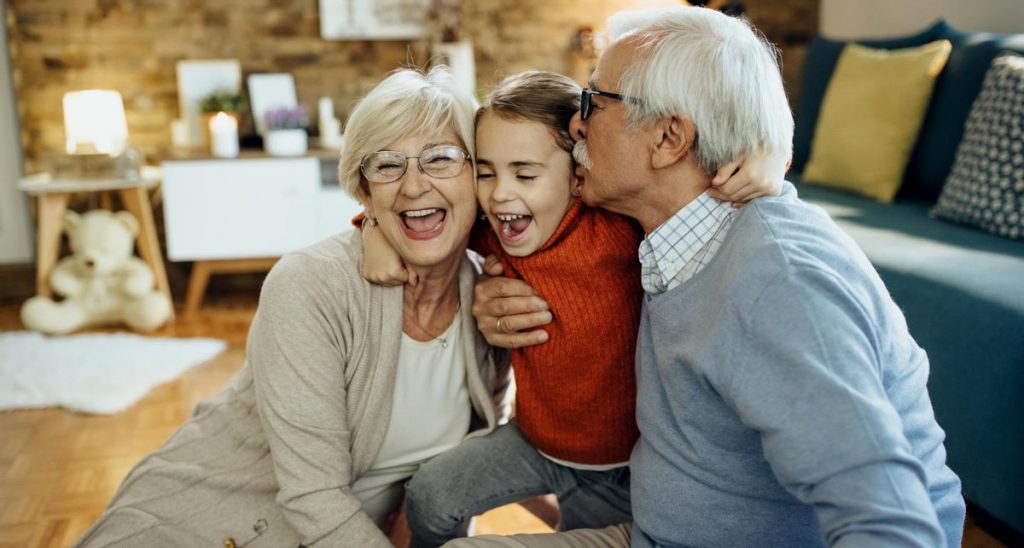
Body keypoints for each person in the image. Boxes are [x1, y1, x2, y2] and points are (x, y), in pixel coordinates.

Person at [464, 6, 966, 548]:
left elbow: (895, 525)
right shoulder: (661, 229)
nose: (576, 124)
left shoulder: (780, 285)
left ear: (669, 138)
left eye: (595, 102)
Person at [75, 66, 513, 548]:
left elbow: (475, 448)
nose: (413, 185)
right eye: (387, 165)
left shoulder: (490, 293)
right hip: (208, 527)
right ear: (364, 192)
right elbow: (314, 497)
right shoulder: (311, 285)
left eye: (440, 158)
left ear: (478, 175)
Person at [357, 70, 787, 546]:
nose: (499, 194)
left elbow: (703, 189)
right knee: (431, 496)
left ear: (579, 177)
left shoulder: (618, 229)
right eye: (485, 172)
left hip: (618, 465)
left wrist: (770, 156)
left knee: (576, 536)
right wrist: (373, 227)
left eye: (524, 173)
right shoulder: (495, 228)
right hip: (533, 440)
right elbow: (424, 220)